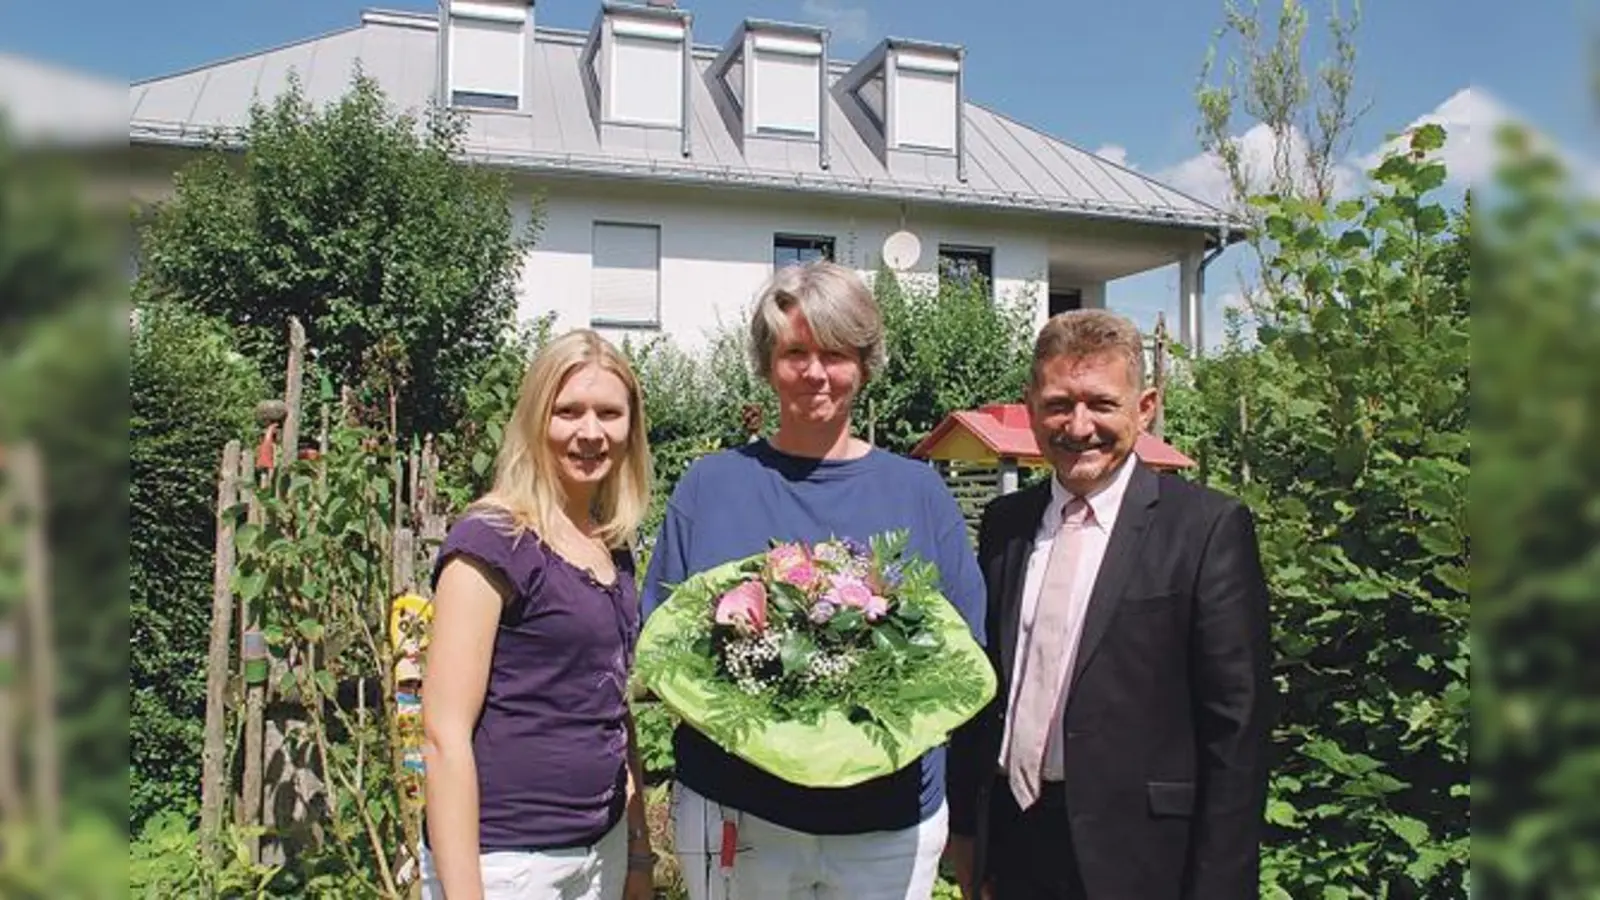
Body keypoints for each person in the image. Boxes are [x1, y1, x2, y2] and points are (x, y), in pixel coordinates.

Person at [640, 260, 988, 900]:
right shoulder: (711, 488)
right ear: (768, 363)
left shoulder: (918, 493)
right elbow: (664, 646)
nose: (816, 373)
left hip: (886, 825)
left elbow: (960, 653)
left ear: (865, 363)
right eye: (795, 352)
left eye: (835, 353)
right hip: (735, 813)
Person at [946, 309, 1274, 900]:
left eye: (1101, 403)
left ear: (1144, 407)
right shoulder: (1006, 524)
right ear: (1030, 406)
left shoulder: (1205, 529)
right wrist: (968, 833)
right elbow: (985, 686)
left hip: (1144, 859)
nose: (1078, 426)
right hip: (1017, 844)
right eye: (1057, 404)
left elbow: (1237, 730)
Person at [421, 329, 657, 900]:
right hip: (507, 863)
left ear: (631, 429)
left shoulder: (610, 547)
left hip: (599, 851)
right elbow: (442, 734)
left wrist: (639, 854)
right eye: (568, 411)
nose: (590, 432)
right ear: (535, 419)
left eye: (609, 413)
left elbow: (610, 708)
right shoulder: (493, 541)